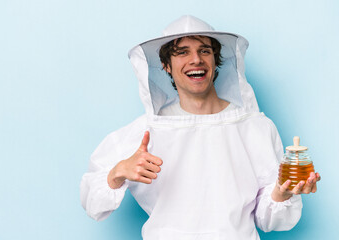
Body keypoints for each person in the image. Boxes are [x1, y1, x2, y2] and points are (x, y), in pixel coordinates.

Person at [80, 15, 320, 239]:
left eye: (204, 50)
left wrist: (282, 194)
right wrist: (118, 172)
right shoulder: (147, 131)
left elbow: (271, 220)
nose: (196, 59)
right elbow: (92, 203)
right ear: (166, 65)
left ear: (215, 61)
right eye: (182, 52)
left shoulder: (255, 126)